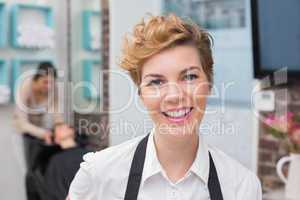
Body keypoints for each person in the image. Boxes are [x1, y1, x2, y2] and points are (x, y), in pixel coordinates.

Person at [68, 14, 262, 200]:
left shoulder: (242, 187)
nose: (174, 95)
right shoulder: (98, 174)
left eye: (189, 77)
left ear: (209, 84)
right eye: (156, 82)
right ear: (141, 94)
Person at [13, 62, 64, 199]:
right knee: (29, 171)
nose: (48, 86)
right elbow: (21, 123)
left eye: (51, 83)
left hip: (41, 131)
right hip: (23, 132)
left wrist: (59, 127)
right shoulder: (25, 88)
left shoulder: (54, 89)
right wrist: (43, 133)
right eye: (45, 82)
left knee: (42, 170)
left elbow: (56, 113)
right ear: (36, 78)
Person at [44, 123, 88, 200]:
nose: (65, 127)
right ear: (56, 139)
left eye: (68, 126)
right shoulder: (56, 161)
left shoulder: (89, 154)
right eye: (60, 128)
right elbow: (53, 189)